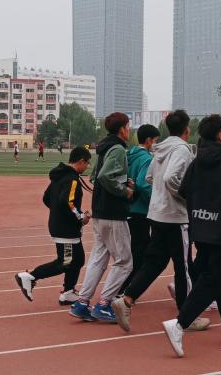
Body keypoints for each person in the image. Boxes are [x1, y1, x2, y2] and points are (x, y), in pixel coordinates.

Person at [161, 114, 221, 357]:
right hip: (220, 228)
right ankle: (179, 324)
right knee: (213, 278)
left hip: (199, 226)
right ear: (220, 135)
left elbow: (183, 189)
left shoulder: (197, 159)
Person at [112, 110, 209, 332]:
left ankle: (127, 299)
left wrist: (163, 194)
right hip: (175, 217)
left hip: (157, 214)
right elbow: (169, 178)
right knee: (183, 267)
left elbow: (149, 177)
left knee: (154, 262)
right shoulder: (182, 149)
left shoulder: (160, 149)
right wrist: (185, 196)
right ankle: (188, 316)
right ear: (187, 129)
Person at [69, 112, 135, 323]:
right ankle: (104, 304)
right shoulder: (118, 149)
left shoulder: (104, 148)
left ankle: (82, 303)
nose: (129, 130)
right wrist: (124, 190)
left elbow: (95, 176)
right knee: (125, 262)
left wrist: (124, 180)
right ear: (122, 129)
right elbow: (105, 176)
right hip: (114, 213)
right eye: (128, 126)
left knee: (99, 258)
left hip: (99, 211)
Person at [14, 146, 92, 303]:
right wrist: (80, 217)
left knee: (78, 259)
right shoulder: (72, 179)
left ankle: (68, 292)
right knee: (65, 262)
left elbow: (46, 198)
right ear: (81, 161)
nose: (88, 166)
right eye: (87, 163)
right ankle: (30, 276)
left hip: (62, 227)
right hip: (66, 230)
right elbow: (67, 201)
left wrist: (58, 213)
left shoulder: (60, 176)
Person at [122, 124, 159, 296]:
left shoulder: (128, 154)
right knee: (141, 253)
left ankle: (124, 287)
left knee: (132, 250)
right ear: (149, 140)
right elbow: (144, 184)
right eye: (156, 141)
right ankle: (124, 289)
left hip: (128, 208)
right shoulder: (146, 158)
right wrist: (156, 201)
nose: (156, 144)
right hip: (140, 210)